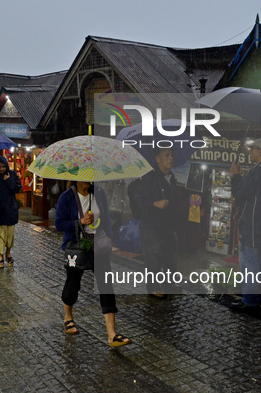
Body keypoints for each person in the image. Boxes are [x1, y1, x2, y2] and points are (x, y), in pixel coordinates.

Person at [55, 181, 132, 348]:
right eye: (85, 178)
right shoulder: (67, 197)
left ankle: (112, 334)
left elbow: (106, 218)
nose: (88, 182)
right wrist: (80, 221)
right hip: (76, 246)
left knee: (106, 285)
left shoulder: (99, 193)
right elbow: (59, 224)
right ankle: (68, 317)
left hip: (99, 245)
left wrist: (110, 236)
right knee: (73, 283)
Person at [230, 138, 261, 311]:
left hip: (251, 225)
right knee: (256, 264)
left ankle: (250, 302)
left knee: (249, 264)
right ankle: (254, 298)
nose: (250, 152)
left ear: (260, 152)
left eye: (253, 149)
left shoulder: (258, 172)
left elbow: (240, 193)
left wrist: (236, 175)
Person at [134, 147, 181, 299]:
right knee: (153, 258)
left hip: (169, 226)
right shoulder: (149, 177)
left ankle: (169, 282)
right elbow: (139, 201)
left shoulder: (171, 177)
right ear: (157, 158)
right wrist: (155, 203)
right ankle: (153, 287)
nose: (171, 158)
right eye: (166, 155)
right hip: (151, 226)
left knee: (170, 256)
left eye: (172, 154)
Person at [0, 156, 22, 268]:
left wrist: (8, 180)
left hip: (10, 210)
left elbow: (17, 189)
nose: (1, 169)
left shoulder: (12, 175)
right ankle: (0, 256)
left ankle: (8, 254)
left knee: (9, 234)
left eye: (3, 166)